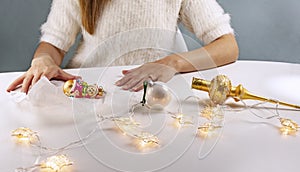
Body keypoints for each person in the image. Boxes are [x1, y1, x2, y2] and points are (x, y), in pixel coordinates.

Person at [7, 0, 239, 93]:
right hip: (89, 91)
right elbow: (53, 44)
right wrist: (43, 61)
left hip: (149, 92)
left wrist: (171, 63)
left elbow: (227, 46)